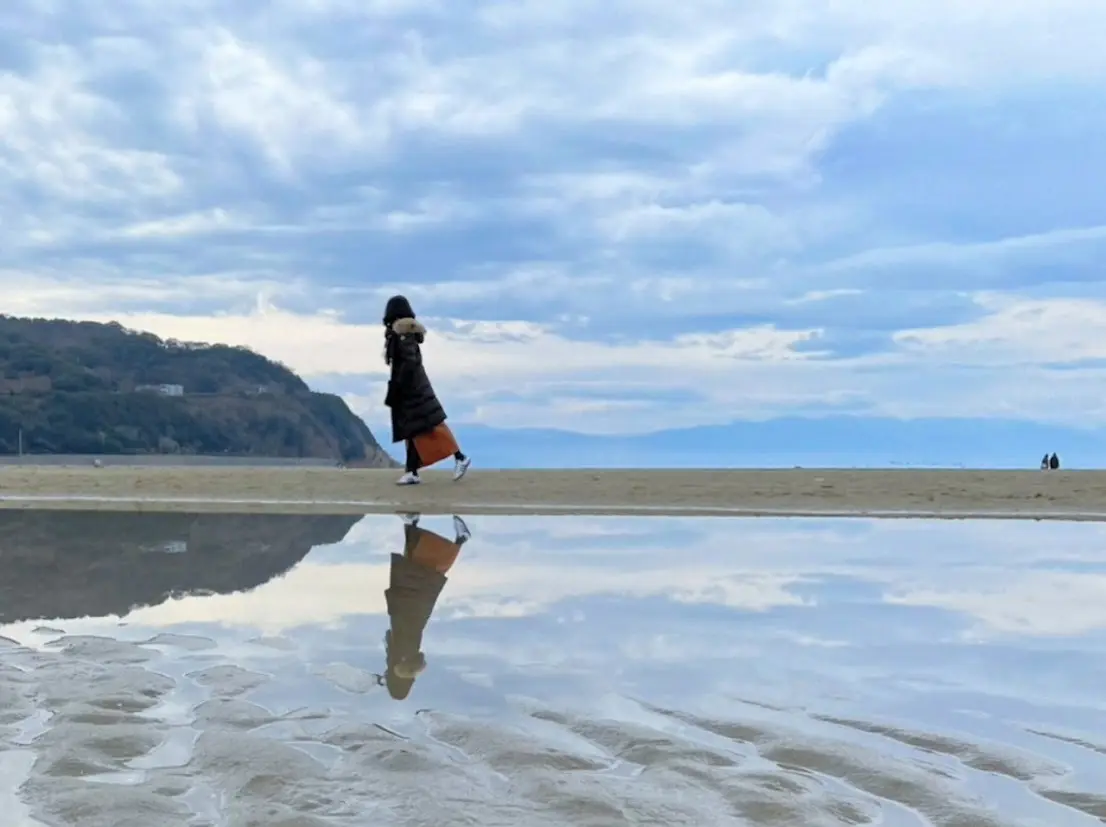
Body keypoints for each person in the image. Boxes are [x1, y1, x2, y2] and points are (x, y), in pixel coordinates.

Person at [379, 513, 471, 700]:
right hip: (410, 608)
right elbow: (408, 629)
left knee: (413, 570)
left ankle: (412, 525)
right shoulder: (403, 660)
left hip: (409, 608)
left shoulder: (401, 661)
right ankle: (460, 540)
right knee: (423, 573)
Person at [383, 295, 471, 485]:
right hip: (414, 389)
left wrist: (399, 386)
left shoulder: (402, 333)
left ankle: (460, 457)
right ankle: (412, 472)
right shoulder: (404, 333)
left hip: (412, 391)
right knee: (414, 430)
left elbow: (408, 363)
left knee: (431, 426)